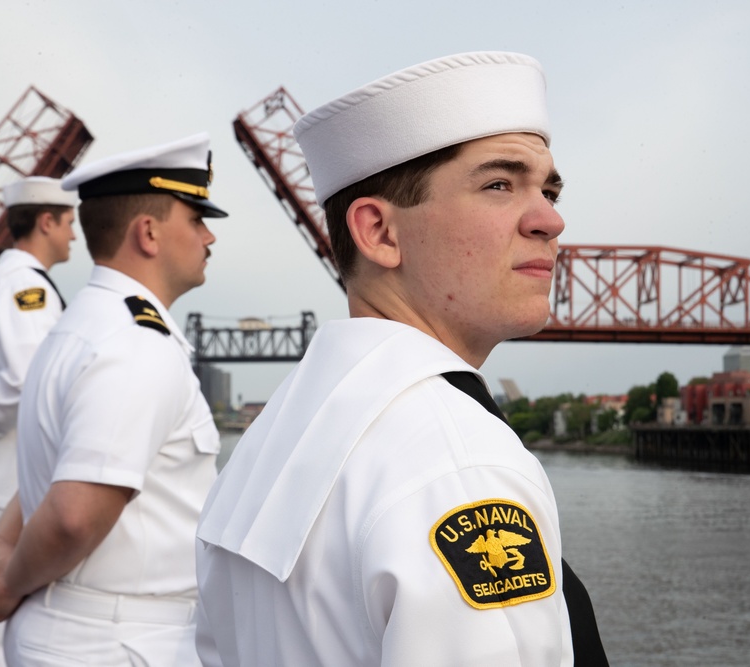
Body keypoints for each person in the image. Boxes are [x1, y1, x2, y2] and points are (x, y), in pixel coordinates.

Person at [195, 52, 607, 666]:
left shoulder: (268, 443)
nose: (551, 219)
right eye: (500, 184)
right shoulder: (456, 461)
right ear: (381, 233)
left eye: (547, 188)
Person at [0, 132, 226, 666]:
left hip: (87, 627)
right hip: (120, 639)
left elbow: (59, 469)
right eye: (197, 220)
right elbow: (73, 515)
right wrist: (7, 583)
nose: (209, 238)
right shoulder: (134, 344)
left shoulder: (81, 326)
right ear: (149, 232)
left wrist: (1, 555)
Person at [0, 175, 77, 667]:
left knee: (0, 606)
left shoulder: (11, 280)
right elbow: (31, 378)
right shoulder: (27, 286)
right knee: (0, 608)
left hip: (6, 470)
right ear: (45, 222)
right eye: (68, 223)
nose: (74, 234)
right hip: (16, 475)